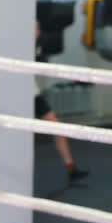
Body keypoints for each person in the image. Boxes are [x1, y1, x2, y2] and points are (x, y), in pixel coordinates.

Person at [35, 23, 89, 183]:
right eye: (35, 27)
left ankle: (71, 168)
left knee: (56, 127)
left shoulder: (35, 46)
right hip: (18, 93)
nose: (38, 30)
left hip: (31, 94)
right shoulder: (17, 44)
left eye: (38, 27)